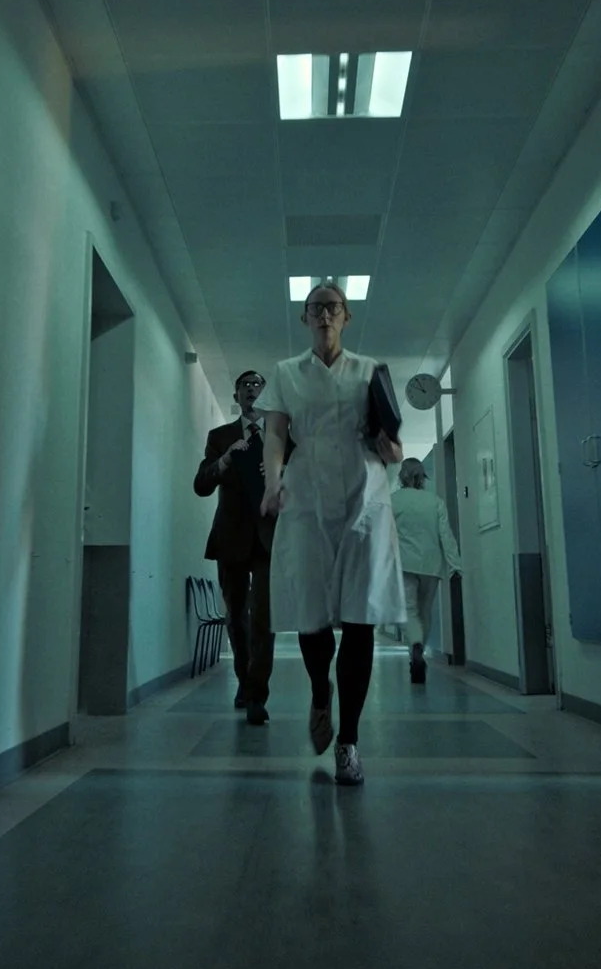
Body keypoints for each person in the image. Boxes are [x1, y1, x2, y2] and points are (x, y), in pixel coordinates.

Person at [257, 282, 403, 785]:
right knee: (313, 614)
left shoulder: (370, 371)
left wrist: (393, 450)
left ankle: (350, 742)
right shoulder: (285, 374)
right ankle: (321, 692)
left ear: (347, 316)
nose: (324, 315)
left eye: (333, 307)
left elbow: (391, 441)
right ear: (304, 318)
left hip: (365, 499)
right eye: (315, 308)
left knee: (361, 616)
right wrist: (273, 481)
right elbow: (276, 434)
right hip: (306, 498)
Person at [192, 369, 274, 723]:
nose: (252, 390)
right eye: (246, 385)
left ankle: (258, 693)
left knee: (265, 617)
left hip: (271, 538)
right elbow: (201, 484)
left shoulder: (283, 435)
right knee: (236, 616)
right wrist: (226, 459)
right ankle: (244, 678)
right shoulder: (220, 435)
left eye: (258, 385)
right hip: (231, 536)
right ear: (237, 395)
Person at [391, 457, 463, 684]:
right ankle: (419, 651)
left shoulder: (393, 501)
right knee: (425, 611)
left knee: (409, 610)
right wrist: (455, 565)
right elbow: (446, 535)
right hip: (431, 565)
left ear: (401, 476)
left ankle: (415, 644)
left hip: (404, 563)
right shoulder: (435, 501)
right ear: (422, 477)